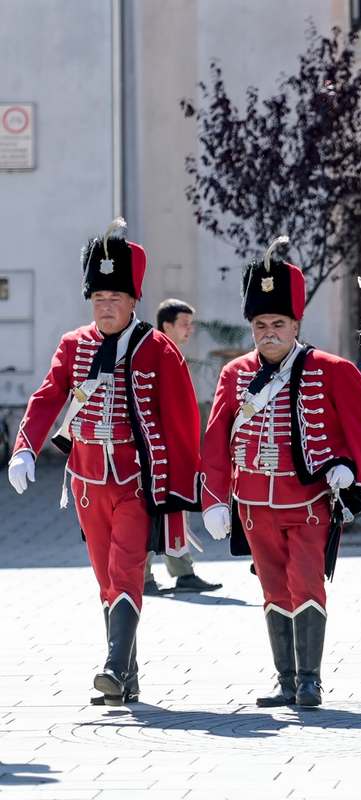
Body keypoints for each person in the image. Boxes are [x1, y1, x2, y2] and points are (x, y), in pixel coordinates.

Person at [7, 218, 202, 705]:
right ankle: (126, 676)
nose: (106, 307)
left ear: (134, 300)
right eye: (98, 299)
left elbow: (180, 420)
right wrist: (25, 447)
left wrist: (189, 488)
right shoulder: (74, 344)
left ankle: (113, 666)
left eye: (114, 298)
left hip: (138, 481)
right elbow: (50, 394)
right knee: (104, 575)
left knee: (126, 568)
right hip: (87, 481)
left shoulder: (157, 349)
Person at [200, 237, 361, 708]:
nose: (269, 332)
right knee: (273, 587)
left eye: (278, 323)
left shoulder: (329, 369)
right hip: (255, 505)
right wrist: (215, 499)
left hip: (308, 502)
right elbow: (216, 436)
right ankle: (285, 681)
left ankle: (310, 680)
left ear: (295, 324)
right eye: (261, 324)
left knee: (306, 581)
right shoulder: (235, 374)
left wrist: (348, 469)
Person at [142, 298, 223, 596]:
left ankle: (183, 571)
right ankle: (142, 575)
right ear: (167, 325)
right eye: (184, 324)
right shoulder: (153, 353)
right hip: (156, 451)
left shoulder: (169, 352)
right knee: (150, 512)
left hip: (174, 448)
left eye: (191, 324)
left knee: (173, 510)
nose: (190, 330)